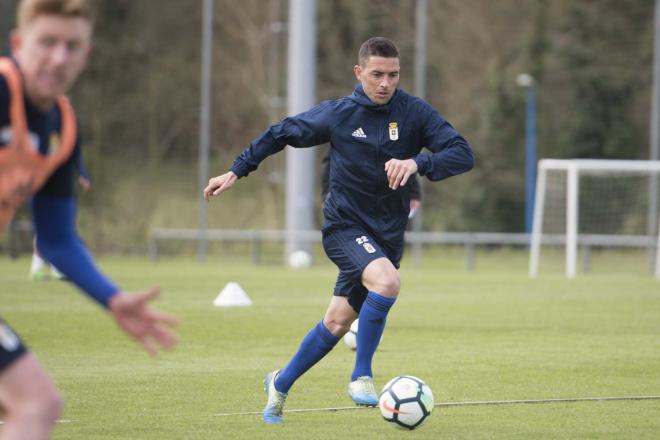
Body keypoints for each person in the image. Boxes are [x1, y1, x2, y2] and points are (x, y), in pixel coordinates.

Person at [204, 36, 474, 424]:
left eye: (393, 75)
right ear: (359, 72)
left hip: (387, 234)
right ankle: (361, 374)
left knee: (337, 322)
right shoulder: (339, 115)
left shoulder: (414, 113)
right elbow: (280, 132)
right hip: (344, 227)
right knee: (387, 282)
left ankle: (279, 383)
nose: (385, 83)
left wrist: (418, 163)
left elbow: (462, 153)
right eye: (377, 74)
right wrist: (236, 170)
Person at [0, 1, 178, 438]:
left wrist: (112, 298)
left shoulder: (62, 127)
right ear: (19, 43)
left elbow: (58, 240)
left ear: (87, 56)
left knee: (37, 404)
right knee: (35, 403)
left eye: (71, 46)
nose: (58, 58)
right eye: (47, 43)